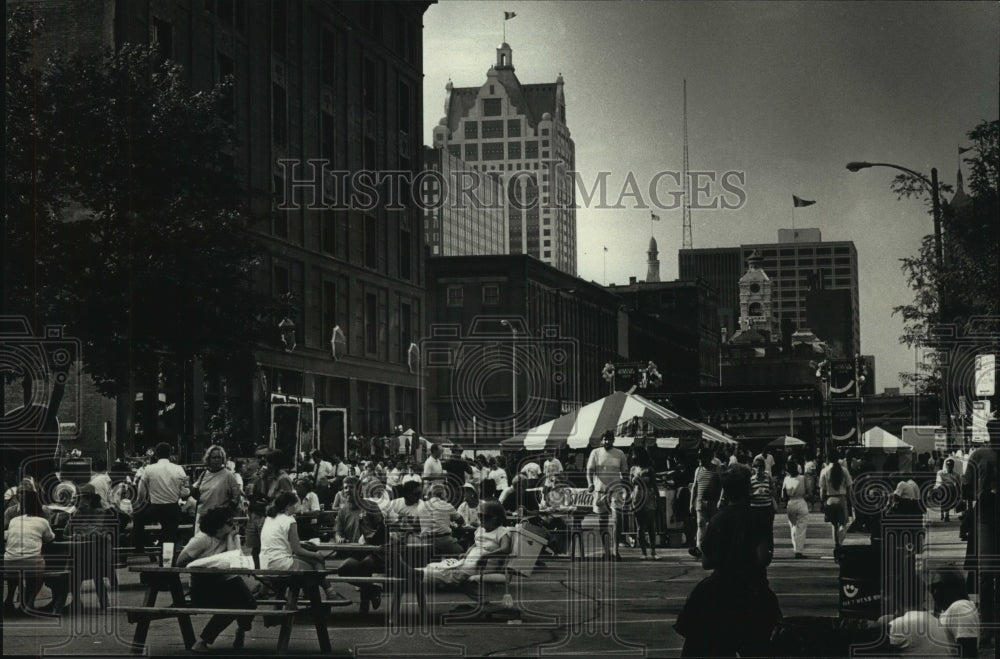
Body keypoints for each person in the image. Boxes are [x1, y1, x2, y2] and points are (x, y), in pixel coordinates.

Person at [675, 464, 780, 657]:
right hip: (751, 591)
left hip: (720, 592)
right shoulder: (758, 519)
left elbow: (706, 562)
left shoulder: (717, 520)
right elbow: (763, 557)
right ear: (748, 488)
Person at [176, 506, 255, 653]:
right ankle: (202, 641)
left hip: (227, 581)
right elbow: (180, 561)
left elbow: (235, 561)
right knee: (234, 605)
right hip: (204, 585)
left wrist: (231, 538)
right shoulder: (202, 539)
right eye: (229, 523)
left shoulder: (232, 536)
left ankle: (242, 629)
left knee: (249, 602)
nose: (233, 525)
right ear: (218, 525)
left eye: (233, 522)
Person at [259, 492, 340, 600]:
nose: (296, 508)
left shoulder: (269, 518)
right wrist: (316, 555)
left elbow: (280, 540)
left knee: (313, 562)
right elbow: (297, 550)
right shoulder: (290, 520)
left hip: (265, 562)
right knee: (315, 570)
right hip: (281, 563)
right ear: (288, 506)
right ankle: (320, 604)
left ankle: (329, 594)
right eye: (294, 505)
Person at [419, 501, 511, 587]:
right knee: (441, 566)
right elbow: (476, 544)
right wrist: (466, 554)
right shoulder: (481, 530)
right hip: (471, 560)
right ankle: (419, 573)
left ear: (494, 518)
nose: (480, 519)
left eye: (483, 516)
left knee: (454, 573)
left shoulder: (501, 531)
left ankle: (418, 575)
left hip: (483, 564)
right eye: (479, 515)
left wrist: (486, 556)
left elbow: (505, 549)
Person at [3, 489, 60, 612]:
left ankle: (10, 601)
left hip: (8, 563)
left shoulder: (14, 520)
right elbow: (50, 538)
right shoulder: (43, 521)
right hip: (32, 562)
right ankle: (29, 604)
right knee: (37, 575)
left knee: (17, 570)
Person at [134, 442, 190, 551]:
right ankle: (168, 559)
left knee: (138, 518)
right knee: (169, 537)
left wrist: (140, 504)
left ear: (156, 455)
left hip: (155, 508)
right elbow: (186, 492)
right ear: (170, 455)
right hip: (173, 509)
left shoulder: (148, 469)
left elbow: (141, 493)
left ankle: (139, 546)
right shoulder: (180, 469)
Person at [587, 431, 629, 560]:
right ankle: (606, 551)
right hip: (600, 492)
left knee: (617, 521)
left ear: (613, 440)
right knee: (602, 523)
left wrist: (627, 489)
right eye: (604, 439)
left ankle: (616, 551)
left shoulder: (620, 453)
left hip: (616, 492)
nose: (607, 442)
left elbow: (625, 472)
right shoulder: (595, 453)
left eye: (609, 440)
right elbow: (589, 470)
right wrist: (590, 484)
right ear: (602, 440)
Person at [191, 445, 242, 528]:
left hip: (219, 519)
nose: (217, 460)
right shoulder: (204, 474)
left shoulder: (228, 475)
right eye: (214, 458)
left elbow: (236, 497)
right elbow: (197, 495)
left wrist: (225, 513)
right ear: (209, 459)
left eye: (219, 457)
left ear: (223, 459)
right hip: (202, 516)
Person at [819, 448, 853, 561]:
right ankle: (839, 543)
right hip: (841, 499)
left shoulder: (824, 471)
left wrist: (821, 501)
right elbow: (849, 487)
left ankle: (836, 544)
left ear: (828, 458)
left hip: (829, 499)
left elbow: (822, 489)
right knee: (844, 524)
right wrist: (849, 499)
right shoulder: (844, 470)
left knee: (834, 525)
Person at [688, 448, 721, 560]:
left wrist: (721, 500)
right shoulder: (698, 470)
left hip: (713, 502)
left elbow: (723, 486)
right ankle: (699, 549)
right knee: (700, 524)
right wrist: (691, 503)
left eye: (702, 457)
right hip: (700, 502)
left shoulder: (717, 469)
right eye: (699, 457)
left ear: (708, 457)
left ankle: (715, 549)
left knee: (714, 526)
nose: (700, 459)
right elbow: (694, 487)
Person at [630, 448, 659, 561]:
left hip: (649, 498)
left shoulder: (649, 469)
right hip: (637, 498)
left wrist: (657, 498)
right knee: (640, 527)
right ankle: (643, 552)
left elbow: (654, 485)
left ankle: (653, 551)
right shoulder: (633, 469)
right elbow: (629, 486)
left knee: (651, 526)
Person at [423, 484, 465, 556]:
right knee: (461, 551)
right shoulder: (447, 505)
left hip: (426, 541)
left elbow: (416, 521)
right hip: (444, 540)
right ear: (442, 494)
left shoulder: (422, 505)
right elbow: (461, 521)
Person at [749, 455, 776, 562]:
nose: (759, 469)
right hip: (755, 508)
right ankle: (755, 551)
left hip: (767, 508)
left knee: (768, 530)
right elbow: (748, 494)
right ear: (753, 468)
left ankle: (769, 551)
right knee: (755, 531)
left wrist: (770, 492)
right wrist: (755, 493)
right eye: (757, 467)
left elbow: (773, 490)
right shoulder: (751, 480)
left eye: (761, 467)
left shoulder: (767, 477)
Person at [782, 461, 809, 559]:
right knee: (801, 527)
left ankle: (795, 549)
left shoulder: (786, 479)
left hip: (791, 503)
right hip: (801, 501)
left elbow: (783, 495)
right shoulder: (802, 478)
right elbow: (809, 491)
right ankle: (799, 551)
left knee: (793, 527)